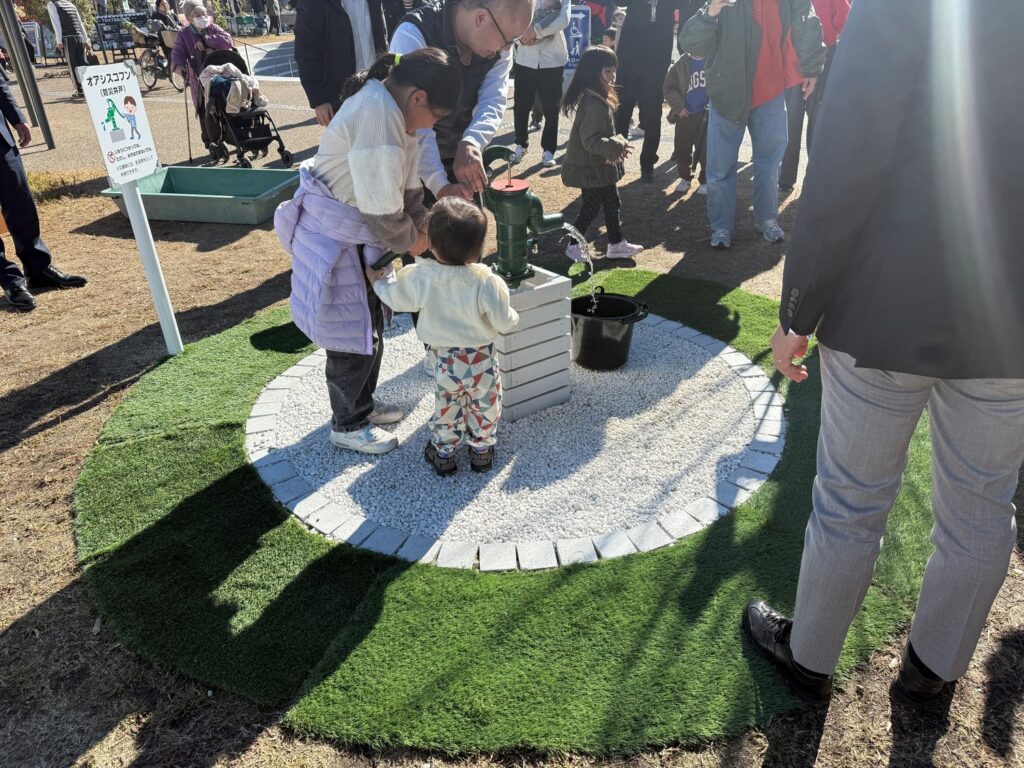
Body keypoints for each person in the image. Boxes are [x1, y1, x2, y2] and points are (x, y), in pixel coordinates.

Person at [742, 0, 1024, 709]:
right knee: (981, 511)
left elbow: (846, 159)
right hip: (1007, 318)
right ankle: (932, 675)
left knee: (850, 503)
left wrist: (797, 312)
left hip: (888, 300)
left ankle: (810, 661)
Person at [275, 49, 461, 454]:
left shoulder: (396, 114)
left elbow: (407, 192)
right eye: (437, 117)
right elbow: (383, 212)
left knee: (371, 325)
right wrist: (417, 240)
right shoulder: (377, 115)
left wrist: (423, 221)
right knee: (350, 334)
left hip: (354, 234)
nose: (433, 126)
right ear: (418, 98)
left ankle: (362, 404)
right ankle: (347, 423)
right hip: (337, 235)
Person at [367, 196, 519, 474]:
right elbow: (505, 321)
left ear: (432, 245)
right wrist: (512, 317)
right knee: (486, 404)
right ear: (478, 249)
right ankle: (482, 451)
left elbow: (397, 299)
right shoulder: (486, 281)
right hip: (481, 359)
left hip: (445, 360)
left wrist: (380, 281)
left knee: (447, 406)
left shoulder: (422, 277)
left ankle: (444, 454)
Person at [679, 0, 824, 249]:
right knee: (721, 168)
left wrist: (811, 68)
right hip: (728, 92)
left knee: (769, 165)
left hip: (772, 91)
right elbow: (691, 45)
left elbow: (807, 21)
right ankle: (721, 226)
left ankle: (766, 218)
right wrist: (712, 10)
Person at [389, 0, 534, 202]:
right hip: (412, 164)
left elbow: (493, 100)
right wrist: (440, 185)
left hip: (463, 159)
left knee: (469, 228)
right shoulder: (414, 34)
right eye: (508, 40)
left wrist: (472, 141)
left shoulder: (498, 47)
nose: (508, 48)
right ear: (481, 18)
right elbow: (413, 124)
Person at [0, 73, 87, 312]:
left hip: (1, 139)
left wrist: (16, 118)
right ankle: (10, 280)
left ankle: (38, 270)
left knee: (21, 202)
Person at [561, 45, 643, 261]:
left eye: (614, 70)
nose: (613, 75)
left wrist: (615, 145)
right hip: (592, 168)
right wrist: (617, 144)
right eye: (607, 71)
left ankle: (616, 244)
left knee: (612, 203)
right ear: (593, 72)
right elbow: (591, 141)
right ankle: (573, 245)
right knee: (590, 208)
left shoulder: (596, 96)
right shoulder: (593, 102)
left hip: (598, 167)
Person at [778, 0, 848, 191]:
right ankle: (814, 179)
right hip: (814, 62)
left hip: (800, 62)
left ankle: (787, 179)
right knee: (815, 122)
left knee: (795, 122)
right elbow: (846, 25)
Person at [612, 0, 683, 184]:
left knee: (653, 111)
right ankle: (615, 158)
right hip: (629, 57)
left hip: (657, 59)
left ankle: (648, 163)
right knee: (622, 109)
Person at [295, 0, 386, 128]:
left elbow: (382, 36)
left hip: (377, 88)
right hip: (341, 96)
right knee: (347, 146)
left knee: (381, 143)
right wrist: (319, 99)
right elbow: (305, 50)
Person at [509, 0, 570, 168]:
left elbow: (564, 19)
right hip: (525, 58)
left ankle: (549, 150)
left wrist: (535, 32)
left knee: (551, 107)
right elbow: (511, 18)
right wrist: (521, 37)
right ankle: (521, 144)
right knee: (521, 105)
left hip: (552, 60)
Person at [171, 1, 233, 133]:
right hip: (199, 77)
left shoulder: (213, 28)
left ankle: (233, 131)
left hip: (219, 72)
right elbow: (177, 53)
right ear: (189, 19)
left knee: (227, 100)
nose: (202, 17)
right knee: (203, 109)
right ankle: (209, 137)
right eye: (198, 15)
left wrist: (207, 40)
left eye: (204, 14)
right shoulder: (184, 34)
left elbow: (228, 40)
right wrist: (179, 67)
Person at [663, 49, 707, 194]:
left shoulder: (714, 58)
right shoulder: (682, 62)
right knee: (682, 149)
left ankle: (705, 180)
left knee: (706, 150)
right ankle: (684, 178)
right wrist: (679, 107)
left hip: (706, 115)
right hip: (685, 115)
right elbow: (669, 88)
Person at [47, 0, 89, 96]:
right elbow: (80, 22)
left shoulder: (52, 4)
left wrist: (59, 41)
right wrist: (86, 39)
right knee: (83, 63)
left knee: (73, 65)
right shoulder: (70, 4)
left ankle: (80, 90)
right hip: (80, 37)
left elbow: (56, 23)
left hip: (68, 38)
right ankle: (88, 86)